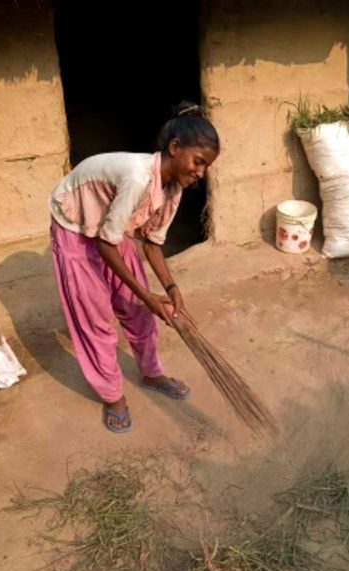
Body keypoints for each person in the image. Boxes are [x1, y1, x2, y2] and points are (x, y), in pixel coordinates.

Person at [48, 101, 220, 433]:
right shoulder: (138, 177)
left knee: (138, 310)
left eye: (206, 167)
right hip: (74, 223)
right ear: (174, 148)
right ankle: (113, 395)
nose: (200, 172)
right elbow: (104, 243)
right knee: (95, 315)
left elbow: (153, 242)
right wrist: (148, 294)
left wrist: (170, 289)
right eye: (198, 161)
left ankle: (152, 374)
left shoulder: (174, 188)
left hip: (111, 227)